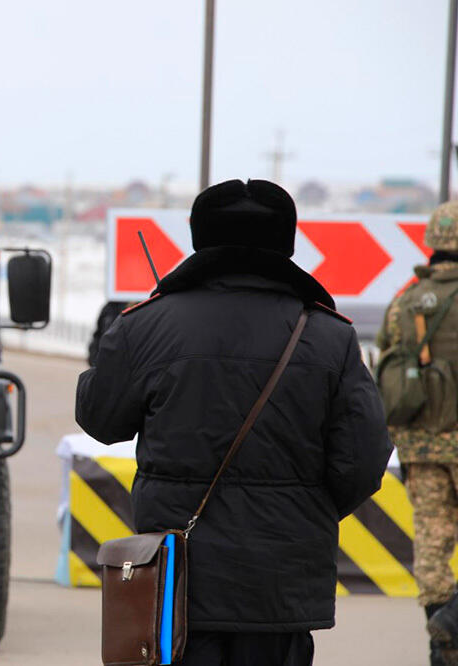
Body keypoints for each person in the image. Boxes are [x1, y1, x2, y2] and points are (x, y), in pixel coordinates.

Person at [76, 179, 391, 666]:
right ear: (287, 243)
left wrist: (114, 349)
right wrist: (301, 509)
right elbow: (364, 461)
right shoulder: (330, 335)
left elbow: (102, 420)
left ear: (199, 237)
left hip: (177, 576)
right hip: (282, 582)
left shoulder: (145, 324)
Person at [376, 200, 458, 666]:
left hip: (419, 443)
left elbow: (387, 358)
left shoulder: (405, 302)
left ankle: (440, 635)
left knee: (431, 541)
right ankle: (454, 624)